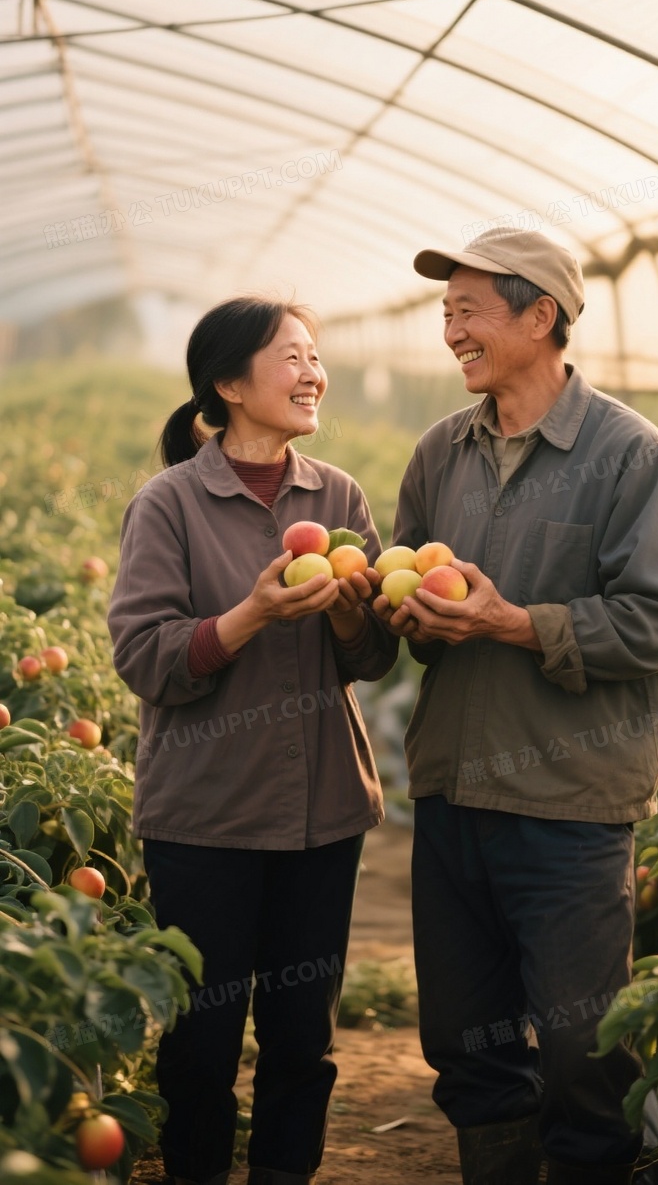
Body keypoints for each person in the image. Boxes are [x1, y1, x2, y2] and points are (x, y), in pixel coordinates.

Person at [371, 228, 658, 1185]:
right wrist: (411, 615)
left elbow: (656, 622)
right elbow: (420, 621)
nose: (450, 330)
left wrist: (513, 621)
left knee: (583, 1055)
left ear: (540, 315)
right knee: (469, 1050)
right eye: (445, 313)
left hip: (570, 806)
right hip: (454, 792)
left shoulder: (631, 453)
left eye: (467, 310)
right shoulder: (441, 453)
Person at [108, 296, 397, 1185]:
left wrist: (356, 617)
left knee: (302, 1038)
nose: (313, 372)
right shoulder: (170, 504)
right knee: (201, 1041)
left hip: (324, 810)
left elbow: (375, 655)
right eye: (292, 357)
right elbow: (145, 655)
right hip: (207, 816)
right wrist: (247, 617)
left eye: (316, 356)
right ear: (229, 384)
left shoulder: (337, 496)